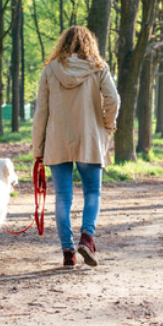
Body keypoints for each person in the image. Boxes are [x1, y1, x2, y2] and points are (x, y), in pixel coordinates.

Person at [32, 26, 120, 268]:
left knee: (63, 197)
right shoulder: (98, 67)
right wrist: (107, 126)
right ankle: (87, 237)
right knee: (93, 192)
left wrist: (37, 149)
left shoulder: (50, 70)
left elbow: (41, 111)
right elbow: (114, 99)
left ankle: (68, 251)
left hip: (57, 140)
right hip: (90, 139)